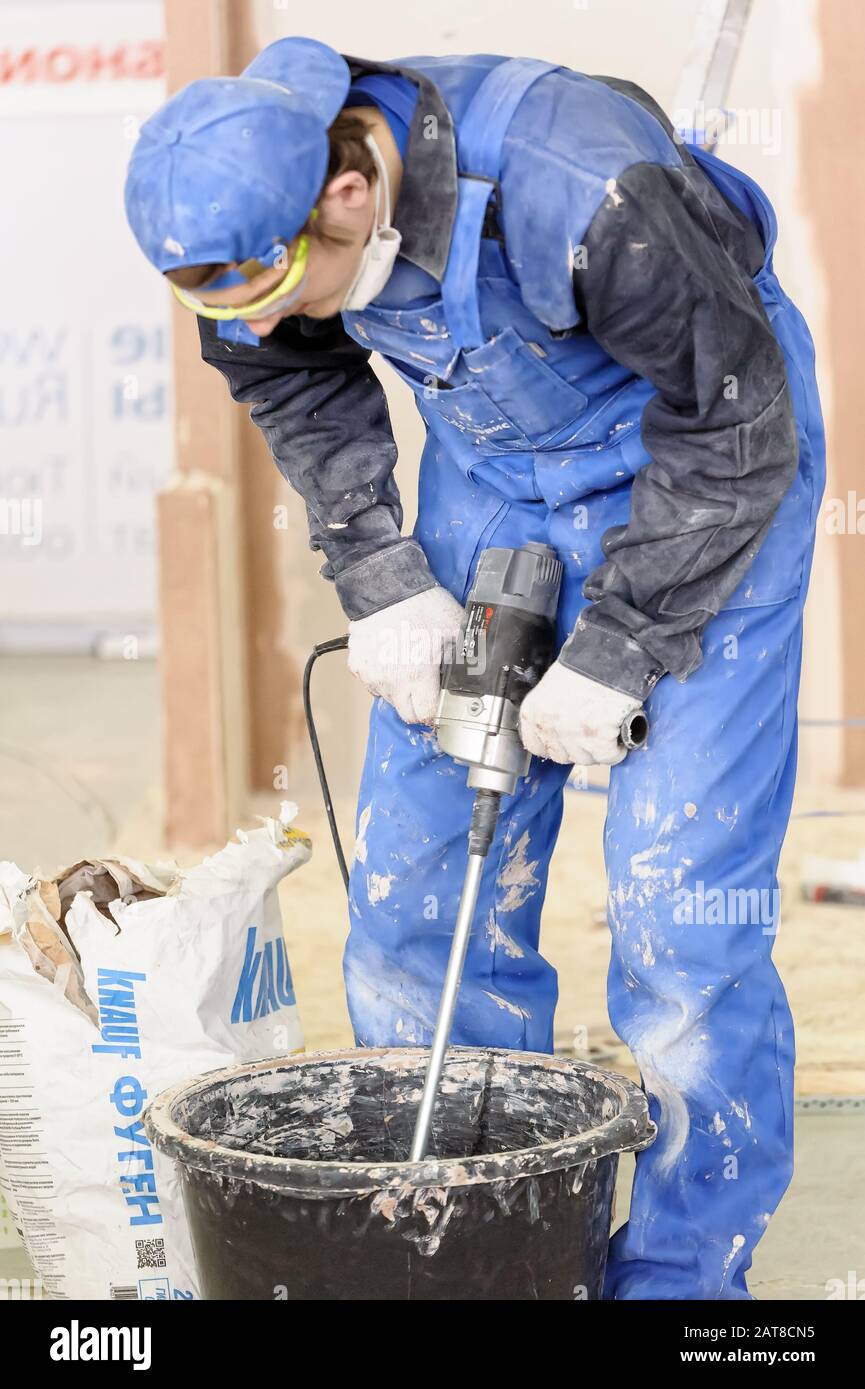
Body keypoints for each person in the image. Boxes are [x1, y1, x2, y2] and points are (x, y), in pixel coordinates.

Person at [124, 36, 825, 1299]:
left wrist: (621, 650)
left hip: (707, 471)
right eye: (231, 308)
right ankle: (462, 1255)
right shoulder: (254, 252)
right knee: (413, 899)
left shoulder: (581, 191)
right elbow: (288, 376)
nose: (261, 322)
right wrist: (381, 570)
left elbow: (733, 431)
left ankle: (678, 1285)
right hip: (495, 478)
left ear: (348, 194)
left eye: (280, 287)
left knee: (679, 931)